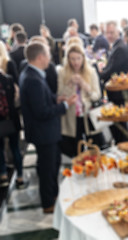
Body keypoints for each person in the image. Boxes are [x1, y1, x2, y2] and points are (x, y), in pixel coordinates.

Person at [19, 42, 77, 213]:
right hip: (43, 132)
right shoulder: (32, 79)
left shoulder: (31, 73)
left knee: (51, 164)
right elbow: (42, 112)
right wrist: (65, 106)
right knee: (47, 168)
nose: (50, 58)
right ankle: (48, 203)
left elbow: (42, 98)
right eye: (48, 55)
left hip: (42, 132)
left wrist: (56, 98)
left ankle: (52, 195)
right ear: (40, 57)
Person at [57, 44, 102, 157]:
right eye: (72, 59)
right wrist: (70, 84)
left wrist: (85, 86)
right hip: (71, 117)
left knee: (94, 148)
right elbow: (60, 95)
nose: (75, 62)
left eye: (78, 58)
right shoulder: (62, 72)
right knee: (75, 150)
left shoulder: (91, 72)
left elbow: (97, 96)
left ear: (83, 58)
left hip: (88, 116)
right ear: (68, 59)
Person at [99, 21, 128, 144]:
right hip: (118, 93)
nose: (109, 35)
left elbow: (112, 71)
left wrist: (99, 74)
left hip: (120, 94)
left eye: (112, 32)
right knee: (119, 126)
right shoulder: (117, 46)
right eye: (107, 33)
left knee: (120, 128)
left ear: (118, 32)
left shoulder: (120, 48)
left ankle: (123, 151)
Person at [0, 72, 26, 189]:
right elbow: (16, 99)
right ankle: (20, 178)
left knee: (0, 150)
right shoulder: (8, 79)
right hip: (12, 119)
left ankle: (3, 176)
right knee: (15, 148)